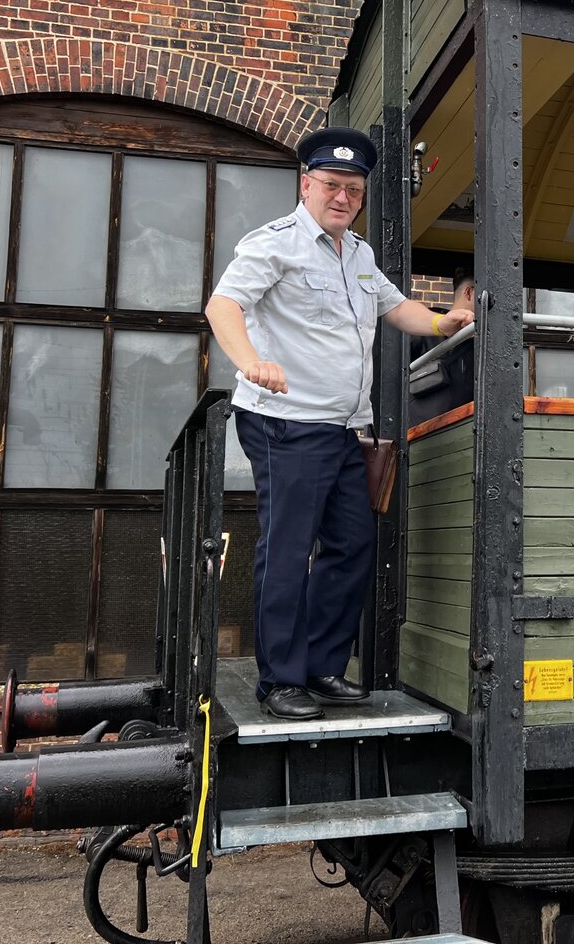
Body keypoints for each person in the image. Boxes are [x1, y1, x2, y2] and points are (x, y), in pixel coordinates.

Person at [205, 126, 475, 721]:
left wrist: (442, 323)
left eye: (353, 189)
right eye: (331, 184)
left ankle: (321, 668)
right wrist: (250, 363)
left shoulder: (359, 253)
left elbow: (395, 306)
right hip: (285, 422)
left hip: (344, 428)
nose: (343, 197)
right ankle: (280, 680)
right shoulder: (275, 243)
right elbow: (222, 305)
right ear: (306, 185)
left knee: (352, 544)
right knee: (287, 548)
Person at [408, 266, 476, 427]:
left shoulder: (488, 342)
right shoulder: (421, 332)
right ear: (469, 293)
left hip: (468, 433)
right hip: (421, 435)